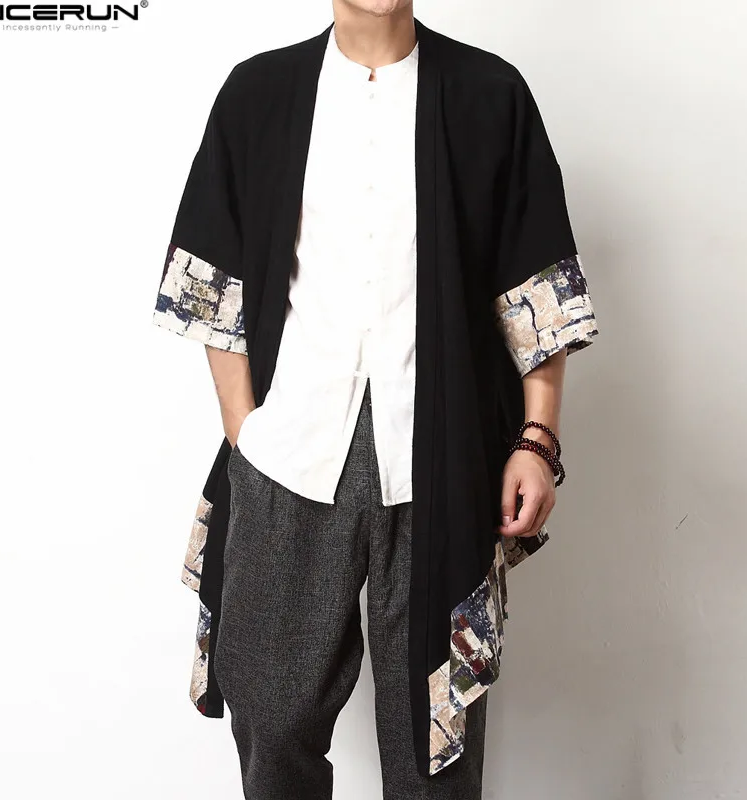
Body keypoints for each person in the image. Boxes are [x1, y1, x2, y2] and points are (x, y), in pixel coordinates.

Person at [152, 1, 599, 798]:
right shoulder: (259, 94)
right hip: (290, 455)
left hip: (440, 465)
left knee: (434, 748)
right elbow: (212, 280)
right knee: (273, 723)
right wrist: (245, 430)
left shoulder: (489, 94)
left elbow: (536, 284)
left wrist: (536, 439)